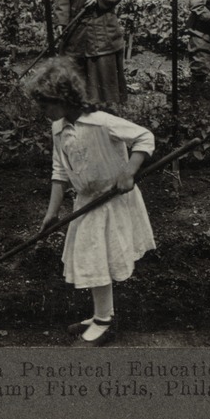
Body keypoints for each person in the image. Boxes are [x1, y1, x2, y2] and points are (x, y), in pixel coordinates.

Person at [28, 57, 156, 346]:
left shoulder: (101, 123)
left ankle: (103, 321)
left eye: (46, 105)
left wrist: (128, 171)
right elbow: (59, 171)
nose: (43, 111)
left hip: (112, 200)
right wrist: (51, 212)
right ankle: (102, 314)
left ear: (64, 99)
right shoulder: (58, 128)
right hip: (86, 202)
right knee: (93, 258)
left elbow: (145, 137)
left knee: (99, 258)